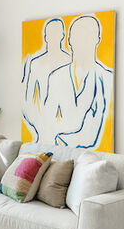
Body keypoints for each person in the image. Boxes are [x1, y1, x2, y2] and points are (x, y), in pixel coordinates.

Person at [45, 15, 112, 149]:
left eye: (88, 35)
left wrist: (61, 136)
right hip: (58, 151)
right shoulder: (56, 76)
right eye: (78, 35)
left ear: (97, 40)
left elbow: (91, 137)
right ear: (69, 40)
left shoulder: (106, 77)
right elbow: (48, 122)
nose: (83, 41)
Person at [21, 18, 70, 144]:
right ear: (45, 36)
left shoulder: (70, 61)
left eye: (56, 33)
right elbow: (28, 98)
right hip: (41, 120)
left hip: (66, 119)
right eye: (50, 34)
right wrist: (37, 121)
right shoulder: (36, 63)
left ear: (62, 36)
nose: (52, 37)